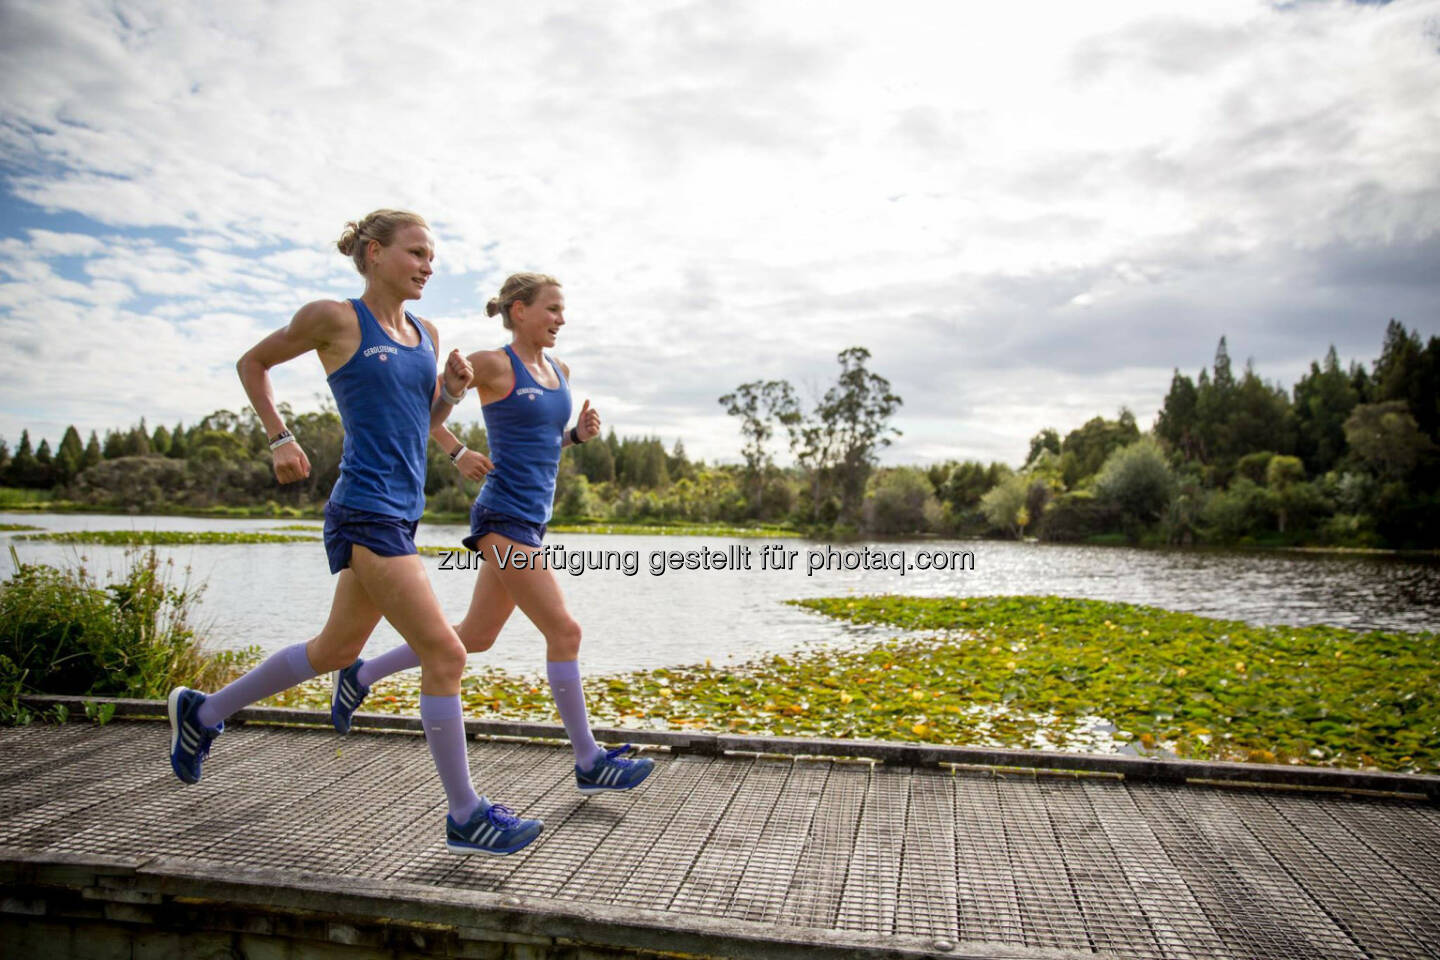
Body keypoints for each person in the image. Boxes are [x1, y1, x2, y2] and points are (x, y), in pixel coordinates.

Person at [166, 210, 544, 857]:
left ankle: (201, 714)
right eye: (416, 252)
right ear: (373, 253)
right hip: (363, 508)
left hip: (403, 511)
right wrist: (280, 437)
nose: (428, 265)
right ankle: (465, 814)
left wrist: (451, 396)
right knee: (447, 654)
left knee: (336, 650)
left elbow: (419, 417)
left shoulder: (426, 332)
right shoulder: (334, 318)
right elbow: (253, 363)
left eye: (433, 257)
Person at [329, 272, 654, 796]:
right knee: (565, 631)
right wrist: (458, 452)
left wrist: (576, 436)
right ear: (519, 311)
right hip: (501, 520)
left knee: (475, 637)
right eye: (552, 309)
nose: (561, 320)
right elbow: (425, 413)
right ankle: (589, 760)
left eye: (562, 311)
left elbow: (542, 441)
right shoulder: (491, 363)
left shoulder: (560, 370)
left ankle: (360, 675)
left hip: (532, 519)